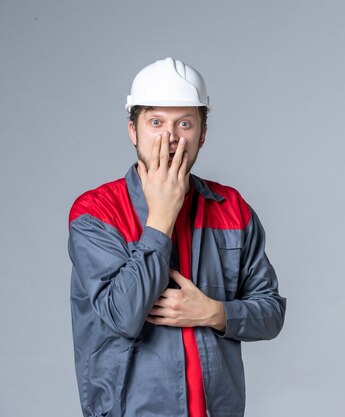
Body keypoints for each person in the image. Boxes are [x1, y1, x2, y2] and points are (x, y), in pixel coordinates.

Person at [68, 57, 286, 417]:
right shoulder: (96, 212)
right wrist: (161, 219)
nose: (170, 138)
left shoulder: (231, 208)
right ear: (133, 131)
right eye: (156, 122)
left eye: (184, 123)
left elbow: (271, 312)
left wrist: (216, 313)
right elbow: (122, 315)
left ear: (202, 133)